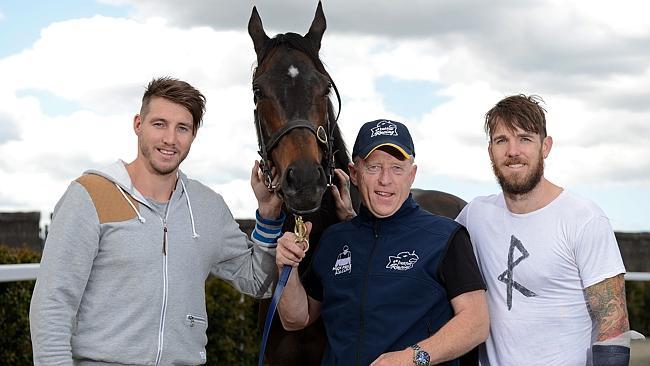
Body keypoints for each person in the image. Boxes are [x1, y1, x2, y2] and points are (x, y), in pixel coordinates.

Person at [29, 77, 285, 365]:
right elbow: (52, 306)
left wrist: (268, 214)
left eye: (182, 128)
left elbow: (258, 283)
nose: (170, 139)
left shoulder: (207, 207)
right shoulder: (89, 196)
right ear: (138, 124)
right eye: (159, 124)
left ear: (193, 135)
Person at [275, 119, 489, 366]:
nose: (385, 180)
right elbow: (295, 318)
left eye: (397, 168)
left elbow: (476, 322)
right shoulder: (334, 240)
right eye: (374, 167)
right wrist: (287, 269)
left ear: (412, 174)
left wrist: (410, 359)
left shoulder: (446, 237)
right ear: (355, 174)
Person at [456, 94, 632, 365]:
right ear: (490, 150)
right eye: (502, 140)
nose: (513, 151)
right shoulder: (474, 216)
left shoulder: (584, 219)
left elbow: (614, 330)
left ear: (545, 147)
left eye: (525, 138)